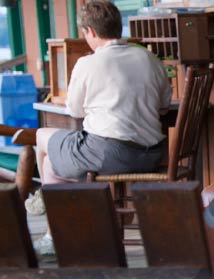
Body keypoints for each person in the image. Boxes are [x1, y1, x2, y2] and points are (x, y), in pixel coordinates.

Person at [28, 0, 172, 256]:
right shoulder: (149, 58)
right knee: (53, 164)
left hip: (110, 155)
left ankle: (51, 215)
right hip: (152, 155)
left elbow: (74, 111)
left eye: (84, 33)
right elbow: (164, 105)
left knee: (41, 137)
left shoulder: (87, 64)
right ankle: (57, 216)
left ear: (91, 32)